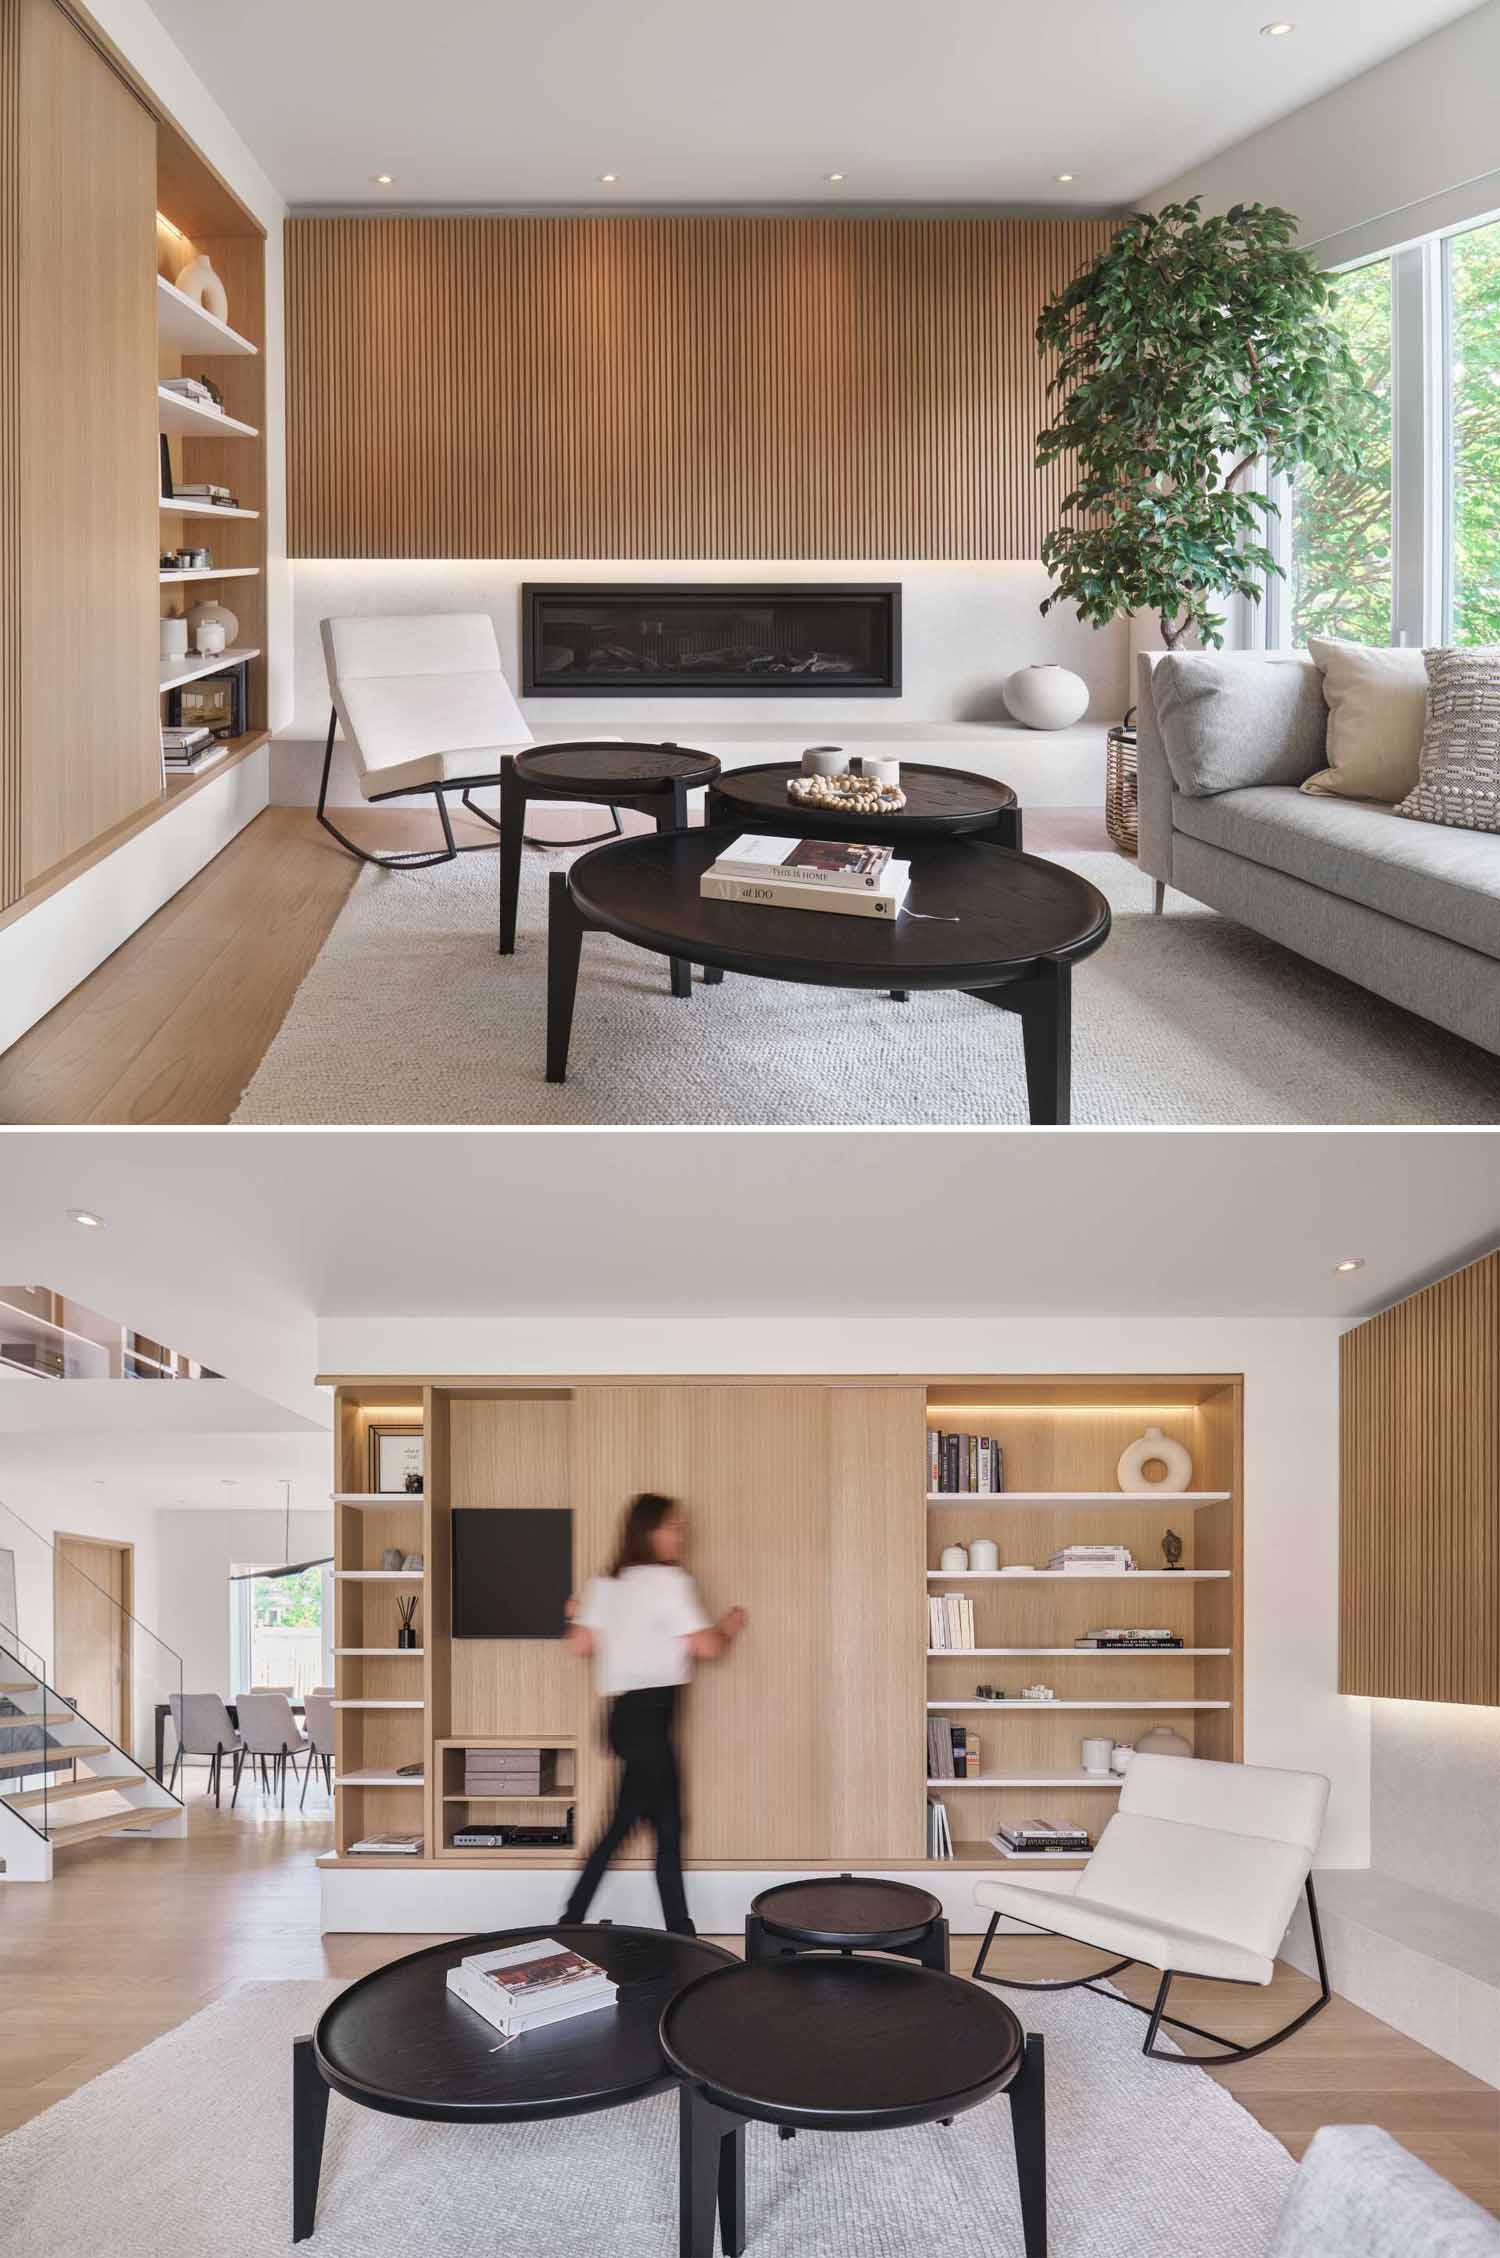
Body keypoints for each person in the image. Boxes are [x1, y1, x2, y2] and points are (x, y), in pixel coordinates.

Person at [561, 1492, 745, 1935]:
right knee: (633, 1828)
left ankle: (677, 1931)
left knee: (663, 1826)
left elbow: (579, 1644)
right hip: (652, 1719)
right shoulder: (670, 1582)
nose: (681, 1536)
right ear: (649, 1531)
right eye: (674, 1528)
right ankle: (572, 1923)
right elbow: (706, 1648)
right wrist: (728, 1626)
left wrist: (578, 1613)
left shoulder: (607, 1585)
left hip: (622, 1721)